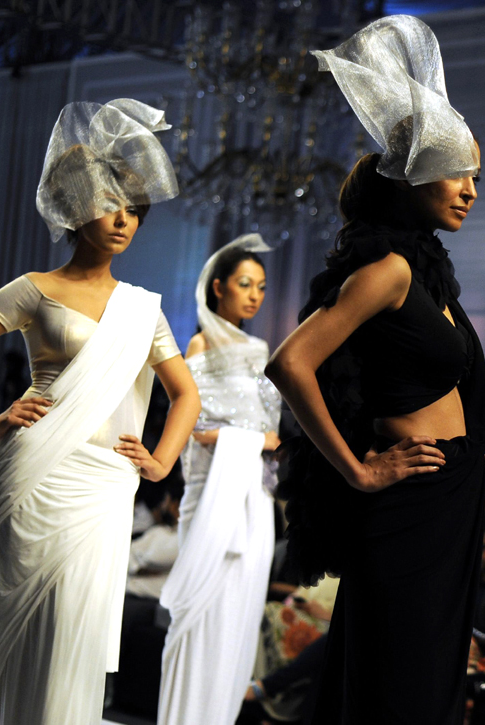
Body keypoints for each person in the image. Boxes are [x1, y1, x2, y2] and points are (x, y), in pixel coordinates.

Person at [0, 98, 199, 725]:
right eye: (110, 206)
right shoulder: (35, 288)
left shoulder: (142, 307)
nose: (125, 220)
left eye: (134, 211)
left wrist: (160, 461)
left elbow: (187, 394)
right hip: (33, 474)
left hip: (102, 483)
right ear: (76, 211)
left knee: (74, 629)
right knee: (20, 640)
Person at [265, 15, 485, 724]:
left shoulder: (431, 277)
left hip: (451, 495)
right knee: (398, 685)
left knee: (428, 682)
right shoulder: (388, 270)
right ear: (411, 176)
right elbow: (289, 362)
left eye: (476, 175)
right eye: (457, 172)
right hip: (407, 498)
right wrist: (359, 471)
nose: (471, 189)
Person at [158, 234, 283, 725]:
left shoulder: (259, 348)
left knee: (239, 612)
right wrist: (251, 439)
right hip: (211, 490)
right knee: (200, 613)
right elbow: (196, 426)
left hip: (252, 493)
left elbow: (269, 427)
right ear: (218, 288)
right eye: (245, 284)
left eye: (262, 287)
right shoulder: (201, 343)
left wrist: (254, 440)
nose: (255, 295)